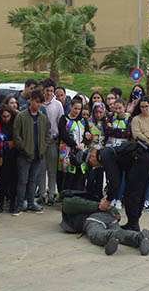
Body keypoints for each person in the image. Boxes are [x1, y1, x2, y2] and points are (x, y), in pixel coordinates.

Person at [85, 140, 149, 233]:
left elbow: (114, 181)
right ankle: (133, 223)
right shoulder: (108, 151)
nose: (95, 167)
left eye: (91, 164)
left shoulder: (104, 155)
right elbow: (116, 179)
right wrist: (109, 196)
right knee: (137, 192)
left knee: (132, 194)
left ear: (92, 156)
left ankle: (133, 226)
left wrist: (108, 200)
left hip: (141, 159)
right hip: (147, 157)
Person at [59, 191, 149, 256]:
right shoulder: (93, 197)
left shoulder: (70, 200)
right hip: (109, 217)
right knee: (120, 232)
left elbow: (67, 204)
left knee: (96, 234)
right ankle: (139, 237)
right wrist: (114, 212)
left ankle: (112, 238)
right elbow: (110, 208)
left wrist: (101, 207)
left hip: (93, 219)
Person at [13, 90, 50, 215]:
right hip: (24, 155)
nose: (38, 105)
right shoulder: (21, 116)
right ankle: (19, 204)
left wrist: (43, 148)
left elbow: (47, 135)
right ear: (31, 100)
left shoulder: (43, 118)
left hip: (38, 154)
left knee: (33, 180)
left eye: (41, 103)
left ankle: (30, 203)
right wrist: (24, 148)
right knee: (22, 180)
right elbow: (16, 135)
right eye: (37, 102)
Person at [38, 78, 64, 206]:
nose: (49, 93)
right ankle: (42, 194)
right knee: (41, 169)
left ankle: (52, 193)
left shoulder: (58, 105)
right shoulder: (39, 104)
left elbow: (61, 123)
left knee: (52, 169)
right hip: (40, 142)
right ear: (43, 91)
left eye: (51, 91)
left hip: (53, 140)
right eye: (47, 90)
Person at [57, 98, 91, 191]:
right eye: (75, 108)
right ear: (71, 107)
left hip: (80, 151)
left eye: (79, 109)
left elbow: (87, 134)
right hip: (67, 151)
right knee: (66, 174)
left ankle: (77, 194)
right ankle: (63, 194)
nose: (77, 111)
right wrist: (75, 145)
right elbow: (63, 134)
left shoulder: (83, 120)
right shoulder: (64, 119)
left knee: (80, 173)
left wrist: (83, 143)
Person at [104, 97, 131, 208]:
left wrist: (115, 131)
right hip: (111, 149)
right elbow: (107, 131)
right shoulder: (110, 117)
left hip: (123, 150)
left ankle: (119, 198)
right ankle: (112, 197)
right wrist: (119, 132)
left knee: (122, 175)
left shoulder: (129, 118)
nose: (118, 110)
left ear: (124, 107)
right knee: (112, 175)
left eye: (120, 108)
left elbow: (128, 133)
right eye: (116, 108)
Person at [0, 102, 18, 213]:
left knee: (13, 181)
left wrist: (14, 143)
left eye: (7, 116)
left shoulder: (15, 123)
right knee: (2, 181)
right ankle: (0, 202)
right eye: (3, 116)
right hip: (1, 156)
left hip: (13, 156)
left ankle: (12, 204)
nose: (5, 119)